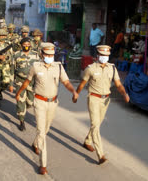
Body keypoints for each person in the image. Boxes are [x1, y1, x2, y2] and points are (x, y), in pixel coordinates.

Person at [16, 42, 78, 175]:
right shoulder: (36, 66)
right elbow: (27, 81)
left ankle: (35, 143)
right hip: (39, 102)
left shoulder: (59, 67)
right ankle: (43, 164)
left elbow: (66, 82)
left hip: (53, 103)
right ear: (42, 54)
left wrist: (73, 91)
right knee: (41, 131)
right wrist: (19, 92)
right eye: (47, 54)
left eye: (52, 54)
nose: (50, 57)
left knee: (45, 129)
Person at [74, 45, 130, 165]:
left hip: (105, 100)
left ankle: (87, 141)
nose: (104, 58)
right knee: (95, 124)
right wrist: (76, 94)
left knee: (97, 123)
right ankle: (101, 155)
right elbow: (82, 83)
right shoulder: (90, 68)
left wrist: (124, 94)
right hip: (94, 98)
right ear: (97, 56)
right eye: (102, 55)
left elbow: (118, 84)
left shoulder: (112, 68)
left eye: (106, 56)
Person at [13, 37, 39, 131]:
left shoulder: (35, 55)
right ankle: (21, 121)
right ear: (21, 45)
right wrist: (11, 84)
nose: (27, 46)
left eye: (28, 45)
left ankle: (23, 109)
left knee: (30, 102)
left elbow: (39, 68)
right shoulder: (16, 55)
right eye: (25, 45)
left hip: (31, 82)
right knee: (20, 101)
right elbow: (13, 68)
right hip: (20, 81)